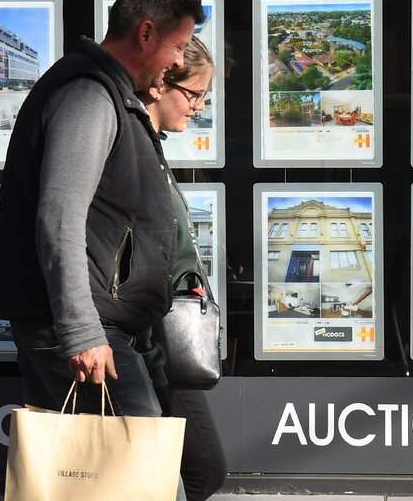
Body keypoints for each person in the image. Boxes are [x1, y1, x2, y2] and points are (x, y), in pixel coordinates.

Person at [0, 0, 205, 491]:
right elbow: (58, 215)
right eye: (178, 45)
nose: (178, 61)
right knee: (143, 482)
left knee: (116, 483)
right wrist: (81, 331)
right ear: (146, 33)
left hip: (105, 324)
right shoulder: (88, 95)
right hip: (87, 328)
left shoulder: (111, 93)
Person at [142, 35, 227, 501]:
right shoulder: (135, 149)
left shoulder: (153, 149)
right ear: (161, 85)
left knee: (195, 471)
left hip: (164, 339)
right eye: (194, 94)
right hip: (149, 342)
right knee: (201, 470)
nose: (198, 107)